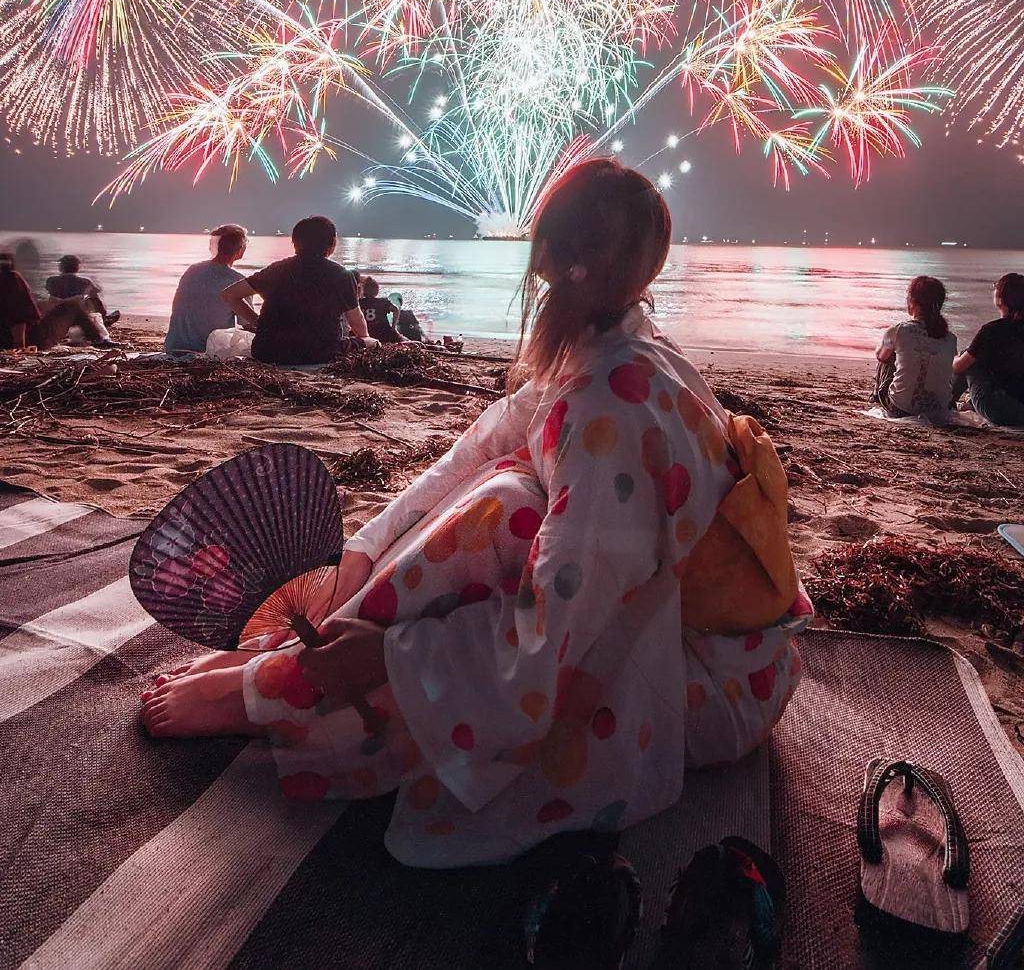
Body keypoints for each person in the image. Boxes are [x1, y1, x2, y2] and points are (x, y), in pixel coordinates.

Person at [142, 160, 810, 868]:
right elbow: (478, 447)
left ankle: (282, 692)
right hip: (665, 627)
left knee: (505, 511)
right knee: (502, 489)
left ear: (548, 254)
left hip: (710, 684)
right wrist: (362, 557)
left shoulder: (612, 400)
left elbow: (553, 644)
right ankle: (298, 669)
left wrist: (384, 656)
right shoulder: (612, 352)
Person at [222, 215, 368, 366]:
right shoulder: (342, 275)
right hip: (320, 353)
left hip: (267, 351)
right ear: (332, 245)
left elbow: (230, 294)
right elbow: (357, 321)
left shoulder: (277, 269)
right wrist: (366, 339)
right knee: (370, 342)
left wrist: (259, 324)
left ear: (295, 243)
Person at [873, 275, 956, 419]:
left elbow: (880, 356)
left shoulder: (899, 331)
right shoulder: (950, 338)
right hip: (938, 410)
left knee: (888, 356)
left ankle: (875, 395)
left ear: (912, 302)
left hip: (901, 408)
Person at [0, 252, 114, 351]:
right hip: (31, 340)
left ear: (61, 267)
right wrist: (20, 345)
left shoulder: (52, 281)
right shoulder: (11, 279)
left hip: (5, 340)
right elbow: (19, 318)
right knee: (73, 306)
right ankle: (99, 340)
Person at [952, 272, 1024, 427]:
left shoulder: (991, 330)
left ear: (1001, 298)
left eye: (996, 287)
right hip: (1020, 406)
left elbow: (959, 367)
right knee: (976, 355)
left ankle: (947, 403)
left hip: (997, 409)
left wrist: (953, 358)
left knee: (967, 357)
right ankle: (967, 403)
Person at [164, 225, 250, 355]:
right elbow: (248, 324)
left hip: (174, 346)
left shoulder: (192, 270)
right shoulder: (238, 281)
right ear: (240, 250)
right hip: (207, 351)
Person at [46, 254, 120, 328]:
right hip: (78, 319)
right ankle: (104, 318)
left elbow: (50, 294)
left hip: (56, 316)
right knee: (93, 298)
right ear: (77, 268)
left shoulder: (51, 281)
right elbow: (96, 295)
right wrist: (96, 286)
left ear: (61, 267)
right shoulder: (85, 282)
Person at [360, 276, 403, 343]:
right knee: (400, 339)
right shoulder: (382, 302)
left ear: (364, 291)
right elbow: (396, 309)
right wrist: (393, 326)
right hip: (383, 332)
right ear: (377, 291)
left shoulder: (360, 302)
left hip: (368, 332)